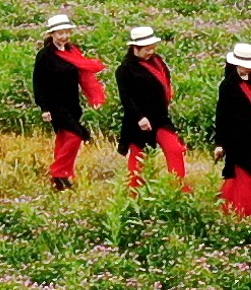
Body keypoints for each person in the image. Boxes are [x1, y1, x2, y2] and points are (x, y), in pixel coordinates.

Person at [32, 13, 106, 190]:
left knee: (64, 139)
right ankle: (59, 171)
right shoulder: (45, 55)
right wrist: (44, 107)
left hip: (72, 103)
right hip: (55, 104)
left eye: (66, 32)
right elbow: (38, 82)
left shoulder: (73, 51)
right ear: (52, 34)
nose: (64, 36)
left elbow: (84, 75)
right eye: (60, 33)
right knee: (76, 135)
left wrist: (94, 95)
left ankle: (61, 179)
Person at [116, 25, 188, 190]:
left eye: (152, 48)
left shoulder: (157, 61)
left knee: (175, 150)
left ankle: (178, 188)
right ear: (136, 47)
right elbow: (126, 99)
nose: (151, 52)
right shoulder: (125, 69)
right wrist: (140, 118)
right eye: (147, 49)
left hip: (160, 117)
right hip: (139, 121)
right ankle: (135, 192)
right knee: (138, 157)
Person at [212, 42, 251, 217]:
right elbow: (222, 115)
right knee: (243, 172)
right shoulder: (228, 85)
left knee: (248, 171)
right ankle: (241, 209)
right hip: (236, 138)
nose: (248, 68)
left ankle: (234, 207)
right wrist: (220, 142)